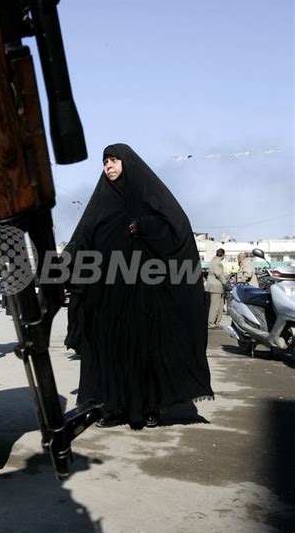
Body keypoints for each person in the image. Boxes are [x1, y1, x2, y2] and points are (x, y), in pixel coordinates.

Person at [66, 143, 213, 429]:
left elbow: (177, 228)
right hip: (107, 294)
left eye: (113, 160)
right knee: (112, 351)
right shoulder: (101, 202)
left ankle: (149, 407)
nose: (108, 166)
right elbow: (80, 240)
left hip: (145, 292)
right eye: (105, 161)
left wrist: (146, 226)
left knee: (144, 349)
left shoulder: (148, 194)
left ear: (127, 163)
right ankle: (115, 407)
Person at [206, 248, 228, 329]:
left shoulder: (213, 261)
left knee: (219, 306)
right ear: (223, 255)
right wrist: (226, 282)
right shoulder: (217, 262)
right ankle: (211, 323)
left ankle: (216, 322)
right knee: (215, 306)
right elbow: (219, 274)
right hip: (216, 286)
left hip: (216, 286)